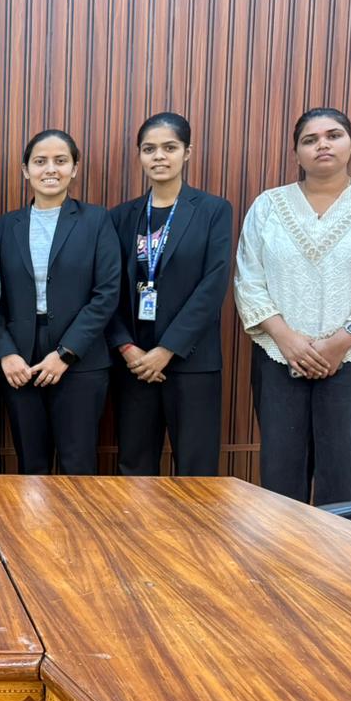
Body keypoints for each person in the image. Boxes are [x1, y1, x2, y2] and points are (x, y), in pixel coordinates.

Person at [235, 107, 351, 505]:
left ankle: (343, 550)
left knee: (345, 475)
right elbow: (248, 279)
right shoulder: (268, 205)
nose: (322, 145)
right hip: (280, 358)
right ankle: (282, 549)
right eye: (310, 140)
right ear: (296, 153)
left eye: (333, 135)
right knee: (280, 476)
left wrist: (340, 342)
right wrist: (287, 339)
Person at [107, 112, 233, 475]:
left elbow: (212, 286)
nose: (159, 156)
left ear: (187, 152)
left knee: (196, 471)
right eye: (149, 149)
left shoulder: (213, 210)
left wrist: (166, 350)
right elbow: (108, 290)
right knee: (134, 469)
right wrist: (127, 348)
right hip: (134, 362)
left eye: (169, 147)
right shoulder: (122, 216)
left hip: (191, 361)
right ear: (140, 155)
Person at [0, 129, 121, 474]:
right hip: (20, 362)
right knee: (30, 467)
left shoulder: (96, 220)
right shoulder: (4, 226)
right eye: (40, 161)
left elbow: (107, 293)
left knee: (78, 465)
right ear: (26, 170)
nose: (50, 169)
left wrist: (66, 353)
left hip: (81, 359)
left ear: (74, 168)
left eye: (60, 161)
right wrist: (5, 353)